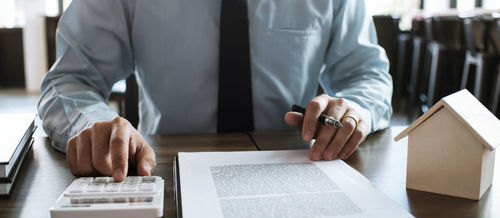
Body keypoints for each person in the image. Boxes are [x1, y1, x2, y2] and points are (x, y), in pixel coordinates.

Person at [38, 0, 393, 182]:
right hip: (161, 175)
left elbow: (367, 74)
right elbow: (70, 80)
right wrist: (95, 125)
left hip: (299, 173)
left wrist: (356, 109)